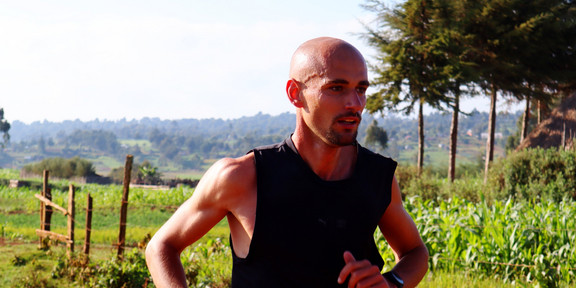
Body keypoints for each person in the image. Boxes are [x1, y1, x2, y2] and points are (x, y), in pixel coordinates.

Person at [146, 37, 429, 287]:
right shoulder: (242, 177)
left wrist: (393, 282)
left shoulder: (377, 177)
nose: (354, 103)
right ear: (295, 93)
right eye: (336, 88)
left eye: (361, 89)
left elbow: (415, 252)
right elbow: (162, 247)